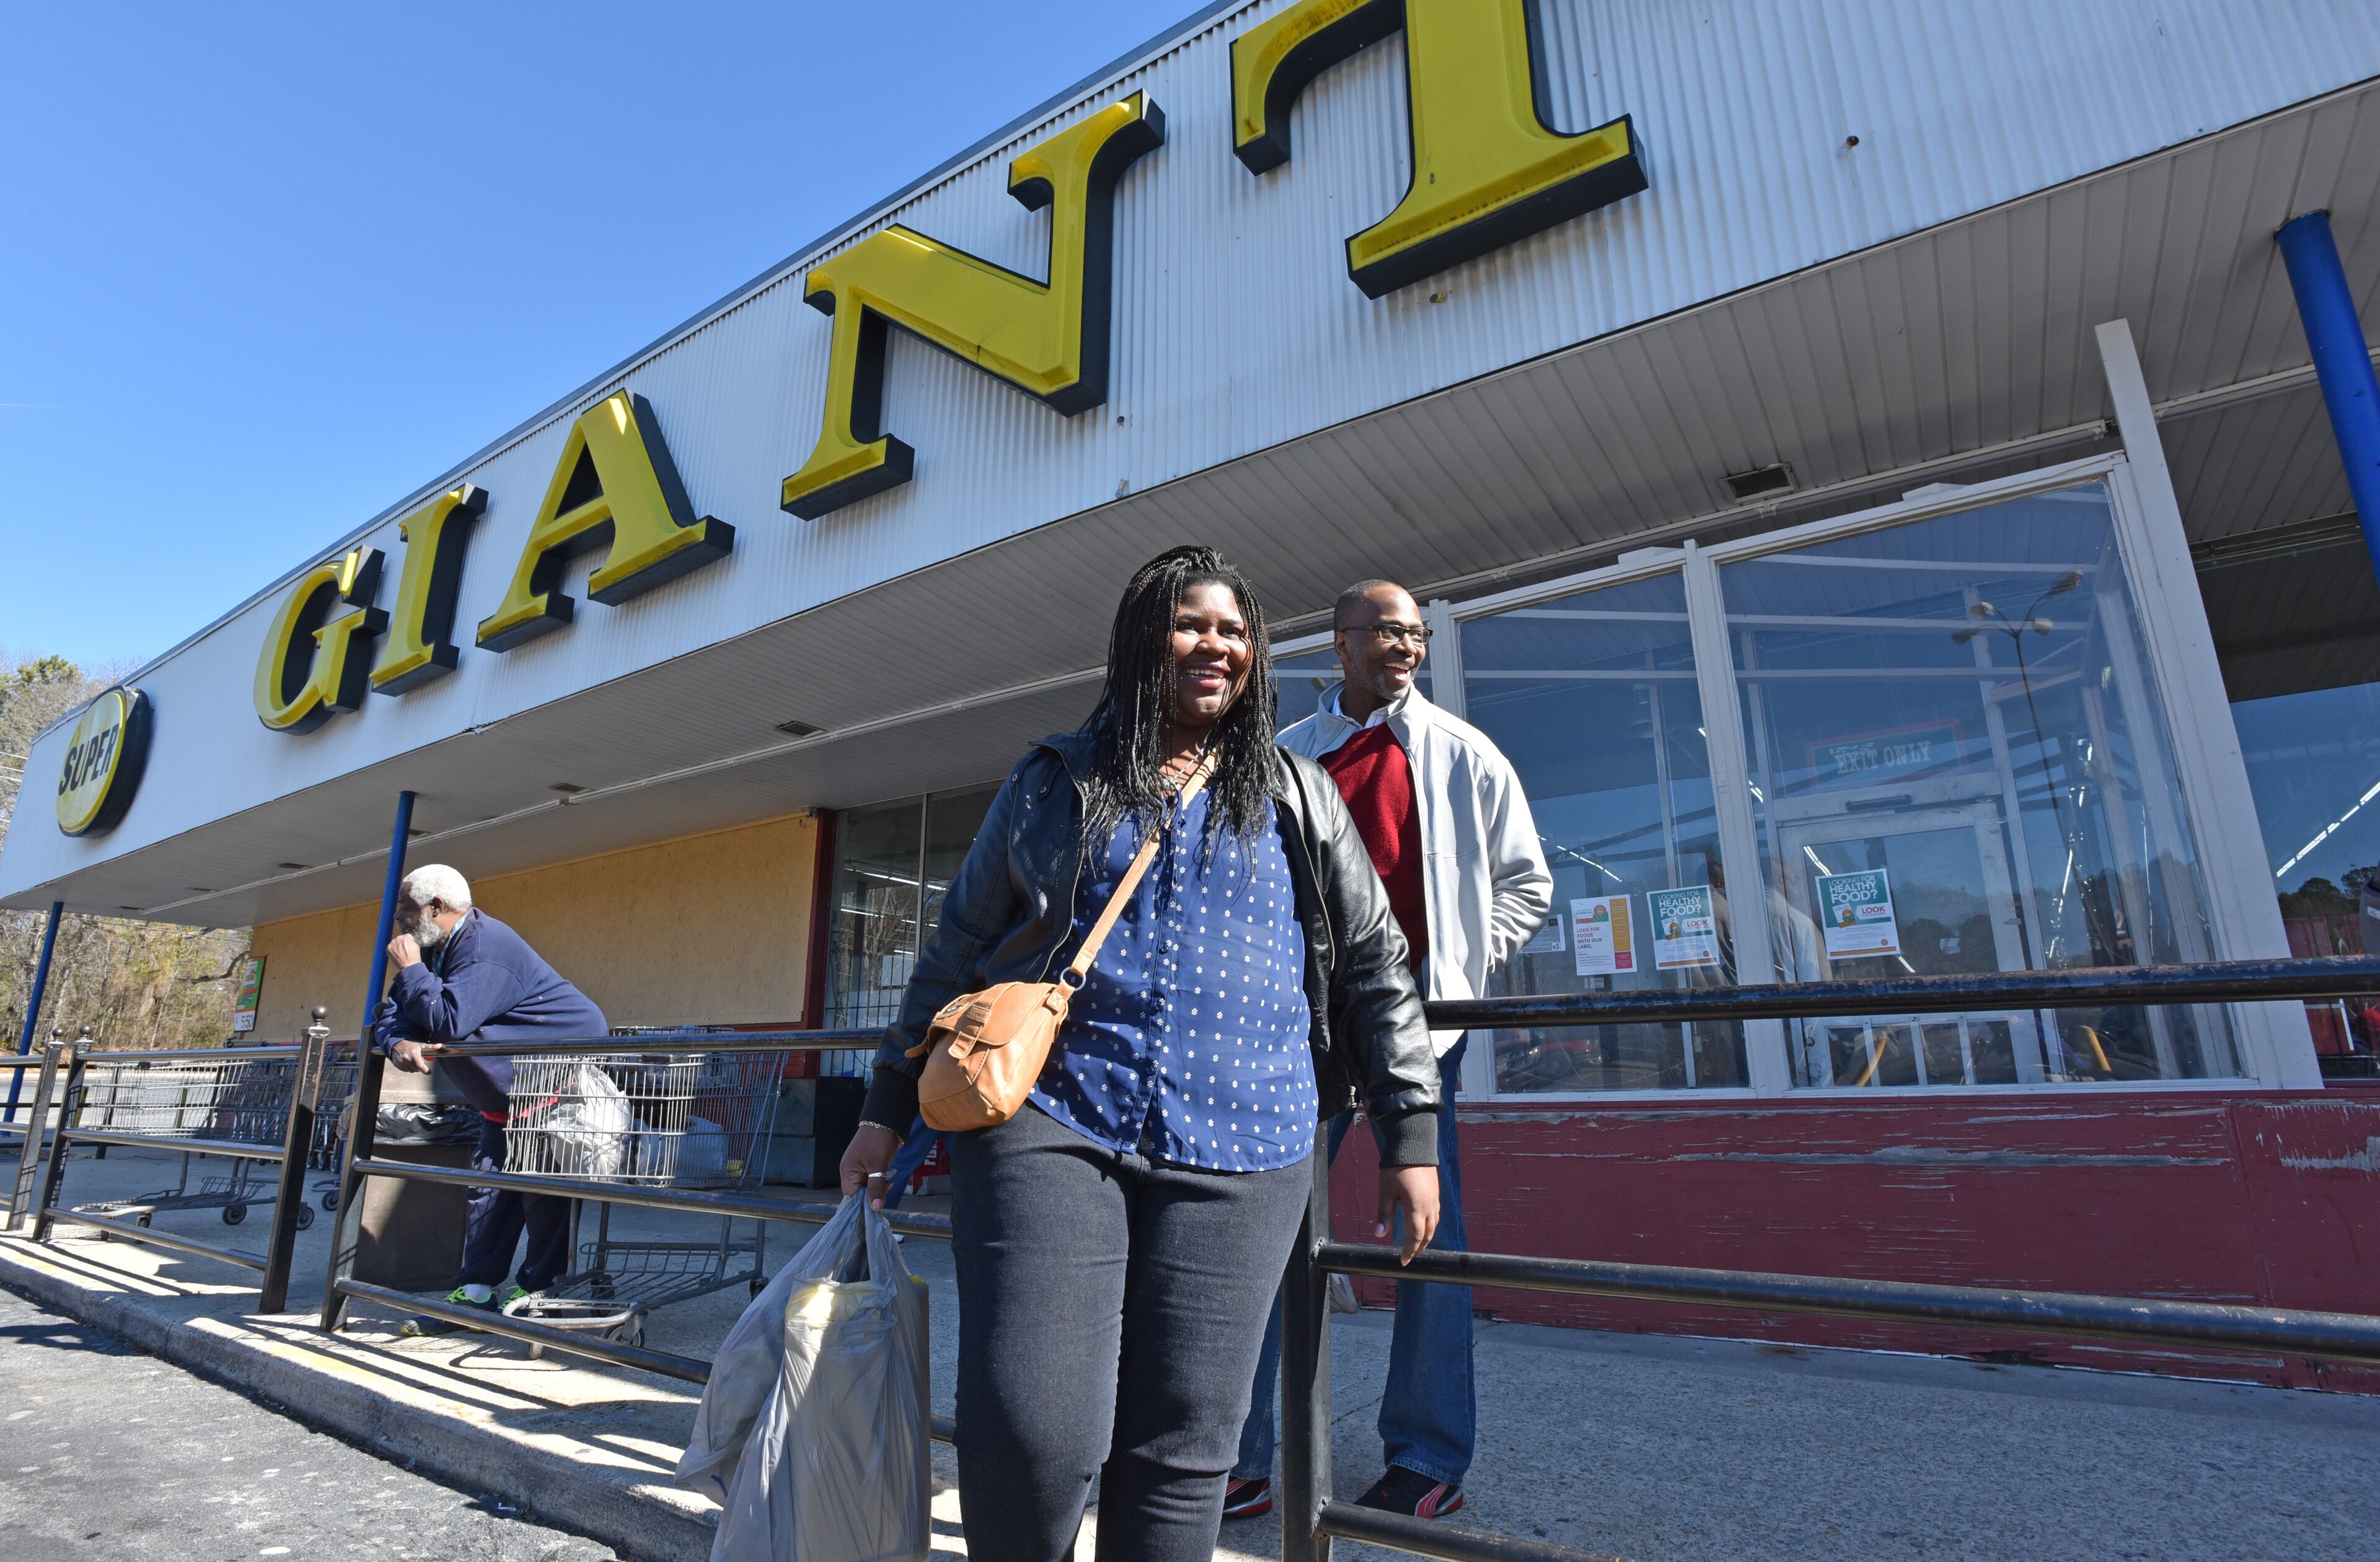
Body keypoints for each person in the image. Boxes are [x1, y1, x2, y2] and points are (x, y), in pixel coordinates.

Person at [840, 545, 1445, 1562]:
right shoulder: (1053, 780)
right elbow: (953, 951)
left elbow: (1376, 965)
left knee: (1186, 1445)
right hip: (1052, 1124)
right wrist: (885, 1105)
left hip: (1248, 1146)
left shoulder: (1300, 793)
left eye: (1235, 629)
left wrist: (1408, 1128)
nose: (1216, 645)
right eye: (1190, 623)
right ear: (1140, 642)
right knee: (1034, 1426)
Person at [1227, 579, 1551, 1523]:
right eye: (1384, 631)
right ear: (1339, 643)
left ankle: (1426, 1455)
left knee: (1427, 1233)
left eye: (1415, 632)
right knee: (1265, 1227)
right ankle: (1242, 1451)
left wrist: (1454, 968)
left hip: (1418, 1028)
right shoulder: (1287, 757)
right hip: (1301, 1029)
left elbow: (1525, 886)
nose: (1404, 645)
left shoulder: (1463, 753)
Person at [368, 864, 607, 1336]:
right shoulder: (438, 951)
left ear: (436, 909)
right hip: (503, 1097)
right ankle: (475, 1295)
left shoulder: (485, 945)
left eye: (406, 908)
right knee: (489, 1190)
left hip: (551, 1083)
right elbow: (394, 1012)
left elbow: (450, 1017)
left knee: (541, 1192)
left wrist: (413, 969)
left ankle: (539, 1290)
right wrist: (399, 1044)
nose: (397, 919)